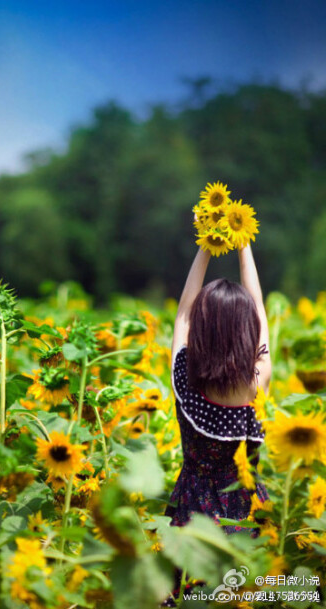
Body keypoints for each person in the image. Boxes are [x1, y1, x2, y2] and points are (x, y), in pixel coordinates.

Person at [160, 243, 271, 608]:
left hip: (193, 519)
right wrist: (244, 248)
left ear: (202, 332)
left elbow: (182, 317)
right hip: (249, 516)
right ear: (247, 331)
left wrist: (205, 248)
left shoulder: (185, 379)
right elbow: (259, 315)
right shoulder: (256, 383)